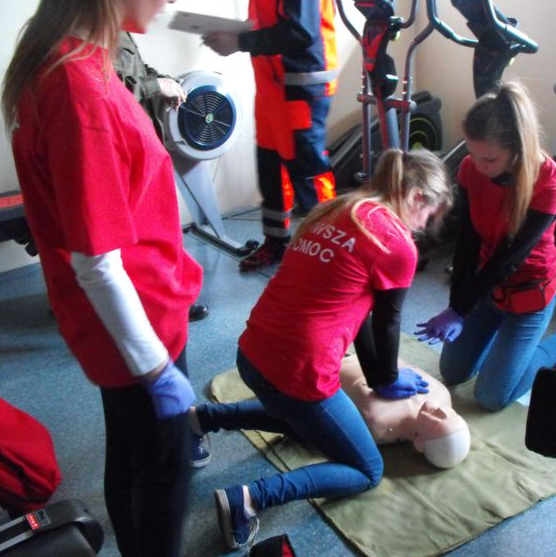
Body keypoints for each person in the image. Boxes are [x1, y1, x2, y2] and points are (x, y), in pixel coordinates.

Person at [2, 1, 202, 556]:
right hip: (137, 321)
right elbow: (97, 260)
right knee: (165, 471)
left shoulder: (74, 60)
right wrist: (156, 369)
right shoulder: (77, 88)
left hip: (131, 314)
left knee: (134, 456)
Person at [189, 148, 452, 550]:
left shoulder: (338, 209)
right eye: (429, 214)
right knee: (367, 469)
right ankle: (250, 499)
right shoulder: (397, 243)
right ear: (417, 197)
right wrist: (387, 379)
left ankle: (200, 419)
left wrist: (381, 377)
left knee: (304, 422)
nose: (424, 224)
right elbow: (388, 321)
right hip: (298, 372)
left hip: (252, 354)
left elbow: (362, 314)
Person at [416, 81, 556, 412]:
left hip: (530, 295)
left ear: (517, 148)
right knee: (453, 372)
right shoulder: (470, 169)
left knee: (491, 397)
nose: (478, 165)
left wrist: (461, 311)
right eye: (472, 154)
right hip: (487, 289)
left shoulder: (550, 183)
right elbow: (467, 243)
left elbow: (508, 258)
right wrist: (456, 305)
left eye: (489, 158)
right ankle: (501, 347)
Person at [202, 0, 338, 272]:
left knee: (308, 174)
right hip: (272, 88)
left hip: (300, 88)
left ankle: (331, 255)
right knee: (271, 170)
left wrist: (239, 41)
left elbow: (300, 33)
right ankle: (276, 244)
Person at [114, 31, 211, 325]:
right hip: (126, 148)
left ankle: (168, 302)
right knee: (146, 239)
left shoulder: (117, 30)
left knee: (157, 233)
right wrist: (156, 86)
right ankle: (161, 307)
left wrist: (166, 81)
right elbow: (110, 89)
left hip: (142, 143)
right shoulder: (94, 32)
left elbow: (137, 70)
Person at [338, 355, 471, 469]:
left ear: (419, 443)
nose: (442, 410)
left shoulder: (377, 423)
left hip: (337, 360)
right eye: (453, 414)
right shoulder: (443, 395)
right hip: (378, 346)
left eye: (439, 420)